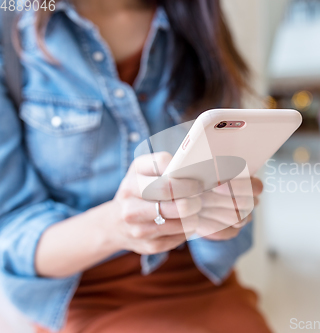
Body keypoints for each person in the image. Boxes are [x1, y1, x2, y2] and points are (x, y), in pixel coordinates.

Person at [0, 0, 272, 332]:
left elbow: (224, 248)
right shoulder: (11, 23)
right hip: (85, 299)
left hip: (205, 287)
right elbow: (10, 240)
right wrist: (116, 226)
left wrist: (222, 220)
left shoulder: (198, 19)